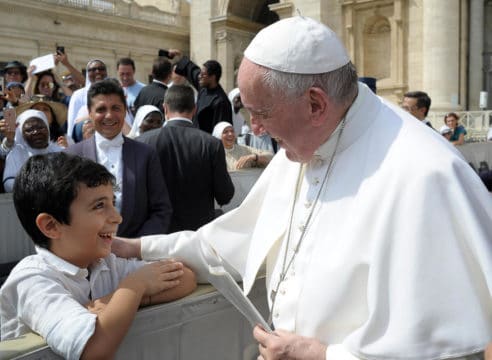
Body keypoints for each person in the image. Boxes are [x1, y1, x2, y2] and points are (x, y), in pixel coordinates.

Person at [113, 16, 492, 359]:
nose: (255, 130)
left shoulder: (428, 175)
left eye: (260, 114)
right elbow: (226, 242)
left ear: (315, 104)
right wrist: (135, 247)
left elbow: (454, 349)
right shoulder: (305, 148)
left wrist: (324, 356)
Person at [0, 152, 196, 359]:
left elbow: (185, 277)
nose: (117, 217)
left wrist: (118, 299)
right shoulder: (31, 280)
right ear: (51, 226)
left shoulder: (103, 263)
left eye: (113, 202)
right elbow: (92, 350)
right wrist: (134, 287)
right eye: (99, 206)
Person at [66, 79, 173, 237]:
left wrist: (134, 247)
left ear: (125, 111)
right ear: (89, 113)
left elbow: (161, 209)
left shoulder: (146, 154)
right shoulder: (72, 156)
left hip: (134, 254)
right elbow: (65, 209)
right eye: (101, 109)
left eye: (116, 108)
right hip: (86, 254)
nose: (109, 115)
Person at [137, 85, 234, 232]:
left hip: (155, 236)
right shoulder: (211, 144)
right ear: (194, 109)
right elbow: (225, 195)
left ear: (165, 108)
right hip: (196, 236)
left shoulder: (142, 142)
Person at [168, 50, 232, 133]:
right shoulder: (203, 87)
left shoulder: (221, 102)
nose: (199, 76)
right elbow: (191, 69)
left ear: (212, 77)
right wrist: (179, 56)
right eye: (200, 73)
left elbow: (220, 131)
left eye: (203, 74)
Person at [3, 110, 62, 192]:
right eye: (29, 130)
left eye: (41, 128)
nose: (36, 132)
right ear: (21, 134)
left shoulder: (60, 151)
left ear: (48, 129)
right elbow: (8, 184)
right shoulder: (16, 153)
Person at [67, 59, 108, 141]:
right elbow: (72, 123)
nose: (97, 71)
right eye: (92, 70)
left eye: (101, 69)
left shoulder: (114, 94)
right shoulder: (78, 95)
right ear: (87, 74)